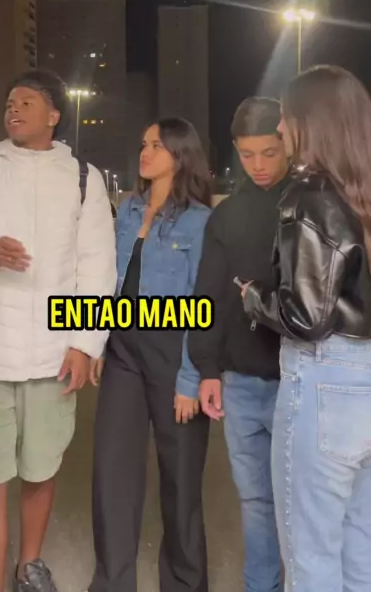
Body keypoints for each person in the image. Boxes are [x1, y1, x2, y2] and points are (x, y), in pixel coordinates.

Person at [0, 69, 116, 592]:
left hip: (52, 355)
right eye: (9, 101)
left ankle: (29, 566)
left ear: (53, 115)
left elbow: (96, 267)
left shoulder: (83, 177)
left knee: (41, 471)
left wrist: (84, 344)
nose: (13, 109)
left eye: (26, 101)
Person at [242, 66, 371, 592]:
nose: (280, 129)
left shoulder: (309, 197)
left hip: (324, 384)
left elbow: (307, 317)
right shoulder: (362, 194)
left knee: (312, 558)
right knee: (360, 552)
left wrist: (254, 297)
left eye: (286, 118)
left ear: (309, 123)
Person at [88, 118, 213, 592]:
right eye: (143, 143)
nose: (145, 152)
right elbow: (108, 279)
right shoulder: (127, 209)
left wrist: (190, 379)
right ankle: (112, 582)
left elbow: (206, 303)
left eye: (156, 145)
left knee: (180, 480)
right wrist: (97, 340)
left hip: (174, 352)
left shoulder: (200, 221)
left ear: (180, 155)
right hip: (124, 350)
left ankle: (184, 583)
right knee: (112, 474)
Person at [183, 97, 291, 592]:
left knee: (306, 503)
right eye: (248, 155)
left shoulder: (311, 206)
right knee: (256, 502)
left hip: (298, 381)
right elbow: (208, 299)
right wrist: (207, 370)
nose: (259, 165)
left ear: (289, 142)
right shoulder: (225, 217)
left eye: (269, 152)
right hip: (241, 385)